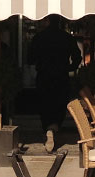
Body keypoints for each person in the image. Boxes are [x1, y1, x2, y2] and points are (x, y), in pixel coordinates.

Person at [28, 15, 82, 153]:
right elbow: (77, 57)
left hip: (44, 76)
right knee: (59, 104)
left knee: (44, 104)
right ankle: (54, 127)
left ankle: (48, 128)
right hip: (61, 76)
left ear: (47, 21)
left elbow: (30, 58)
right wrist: (70, 67)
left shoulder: (39, 37)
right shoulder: (67, 38)